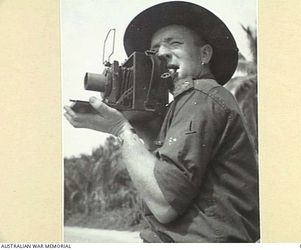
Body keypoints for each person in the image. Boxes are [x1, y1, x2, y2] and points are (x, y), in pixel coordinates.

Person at [64, 1, 259, 243]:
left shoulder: (200, 96)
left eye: (174, 43)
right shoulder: (186, 103)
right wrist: (140, 124)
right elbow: (162, 171)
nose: (162, 53)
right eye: (154, 49)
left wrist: (121, 130)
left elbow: (164, 203)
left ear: (204, 54)